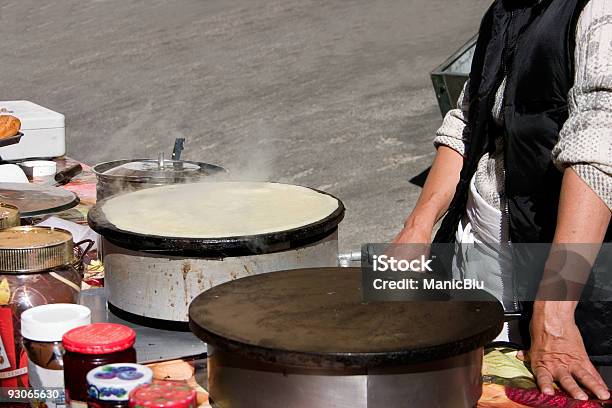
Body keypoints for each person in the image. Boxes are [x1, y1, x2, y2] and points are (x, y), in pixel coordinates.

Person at [394, 0, 611, 401]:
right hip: (477, 272)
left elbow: (599, 151)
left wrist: (554, 312)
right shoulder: (505, 10)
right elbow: (466, 118)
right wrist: (417, 226)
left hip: (565, 289)